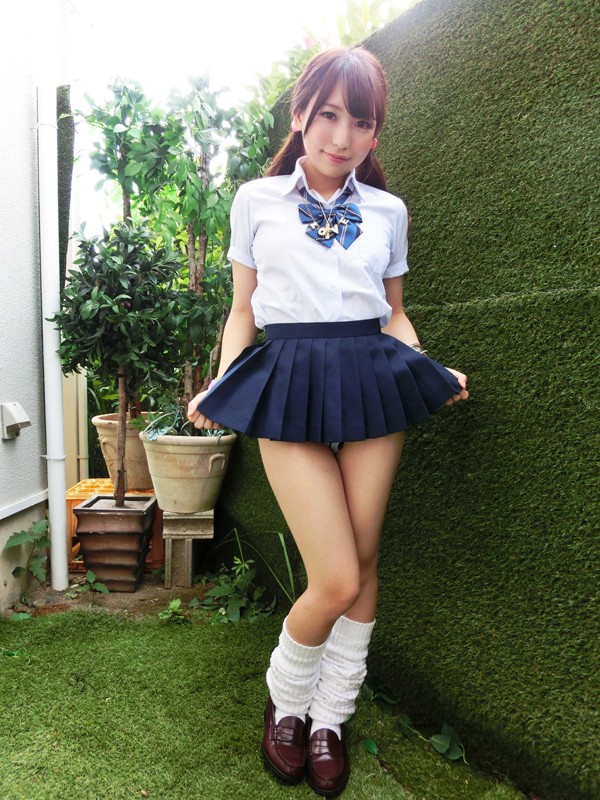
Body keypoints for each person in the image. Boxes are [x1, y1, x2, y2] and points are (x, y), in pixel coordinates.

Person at [188, 46, 469, 798]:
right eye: (329, 115)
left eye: (362, 122)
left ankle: (330, 718)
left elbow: (394, 314)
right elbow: (243, 311)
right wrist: (222, 384)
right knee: (337, 575)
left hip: (372, 377)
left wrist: (427, 368)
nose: (343, 137)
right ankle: (287, 703)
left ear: (376, 132)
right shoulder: (255, 200)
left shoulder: (388, 212)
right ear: (301, 114)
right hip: (287, 379)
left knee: (363, 561)